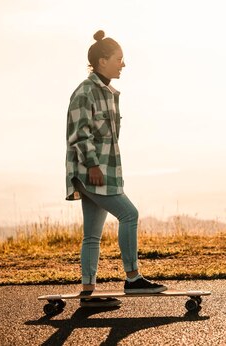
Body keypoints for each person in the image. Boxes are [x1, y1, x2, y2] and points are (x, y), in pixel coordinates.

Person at [65, 30, 167, 307]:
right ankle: (133, 279)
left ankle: (88, 293)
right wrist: (93, 164)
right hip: (93, 171)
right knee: (129, 214)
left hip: (102, 170)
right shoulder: (85, 92)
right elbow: (78, 134)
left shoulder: (107, 92)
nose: (123, 64)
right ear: (101, 61)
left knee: (92, 234)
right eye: (119, 59)